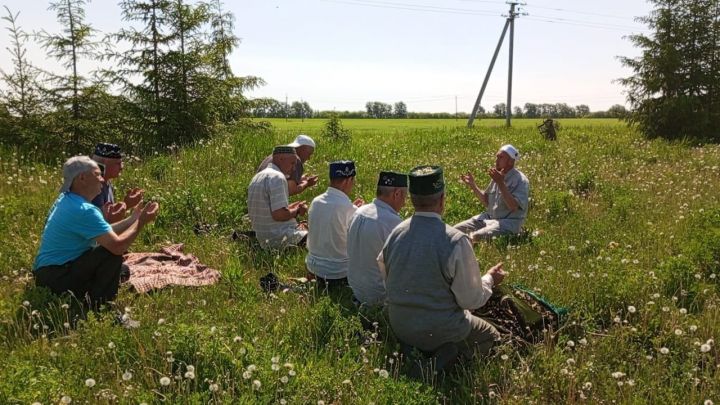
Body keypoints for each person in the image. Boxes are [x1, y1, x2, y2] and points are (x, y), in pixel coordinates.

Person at [379, 165, 505, 358]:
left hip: (400, 326)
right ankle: (447, 358)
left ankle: (415, 352)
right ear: (442, 199)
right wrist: (489, 279)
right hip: (440, 330)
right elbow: (471, 300)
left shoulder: (396, 233)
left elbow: (386, 274)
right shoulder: (455, 240)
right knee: (492, 337)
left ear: (412, 199)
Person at [33, 156, 159, 310]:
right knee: (110, 254)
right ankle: (101, 306)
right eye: (97, 174)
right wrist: (141, 222)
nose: (101, 179)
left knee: (122, 270)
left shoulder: (67, 199)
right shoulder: (84, 210)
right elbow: (117, 246)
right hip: (58, 276)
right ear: (82, 178)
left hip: (46, 273)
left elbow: (104, 232)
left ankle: (89, 289)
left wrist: (133, 219)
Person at [347, 171, 407, 306]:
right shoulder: (393, 223)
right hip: (378, 295)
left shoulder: (358, 211)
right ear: (397, 194)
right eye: (405, 197)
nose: (404, 203)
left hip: (356, 289)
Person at [306, 160, 364, 288]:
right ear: (347, 180)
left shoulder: (316, 201)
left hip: (313, 267)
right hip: (338, 272)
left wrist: (353, 208)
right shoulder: (349, 209)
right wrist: (358, 212)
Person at [455, 144, 530, 241]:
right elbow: (486, 201)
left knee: (476, 236)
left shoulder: (521, 180)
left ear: (511, 161)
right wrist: (473, 186)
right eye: (497, 157)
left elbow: (513, 207)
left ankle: (461, 251)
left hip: (508, 222)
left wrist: (500, 183)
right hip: (488, 218)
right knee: (455, 231)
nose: (496, 160)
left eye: (501, 157)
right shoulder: (497, 177)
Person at [247, 146, 309, 250]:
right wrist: (298, 210)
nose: (294, 168)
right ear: (281, 159)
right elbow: (279, 215)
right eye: (292, 163)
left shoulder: (257, 177)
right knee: (321, 238)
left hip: (262, 236)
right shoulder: (277, 177)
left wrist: (290, 208)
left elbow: (269, 210)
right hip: (278, 237)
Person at [91, 143, 144, 223]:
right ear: (104, 164)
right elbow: (99, 225)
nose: (121, 167)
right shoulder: (94, 188)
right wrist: (126, 204)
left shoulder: (108, 183)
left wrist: (126, 205)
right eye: (117, 164)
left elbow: (110, 218)